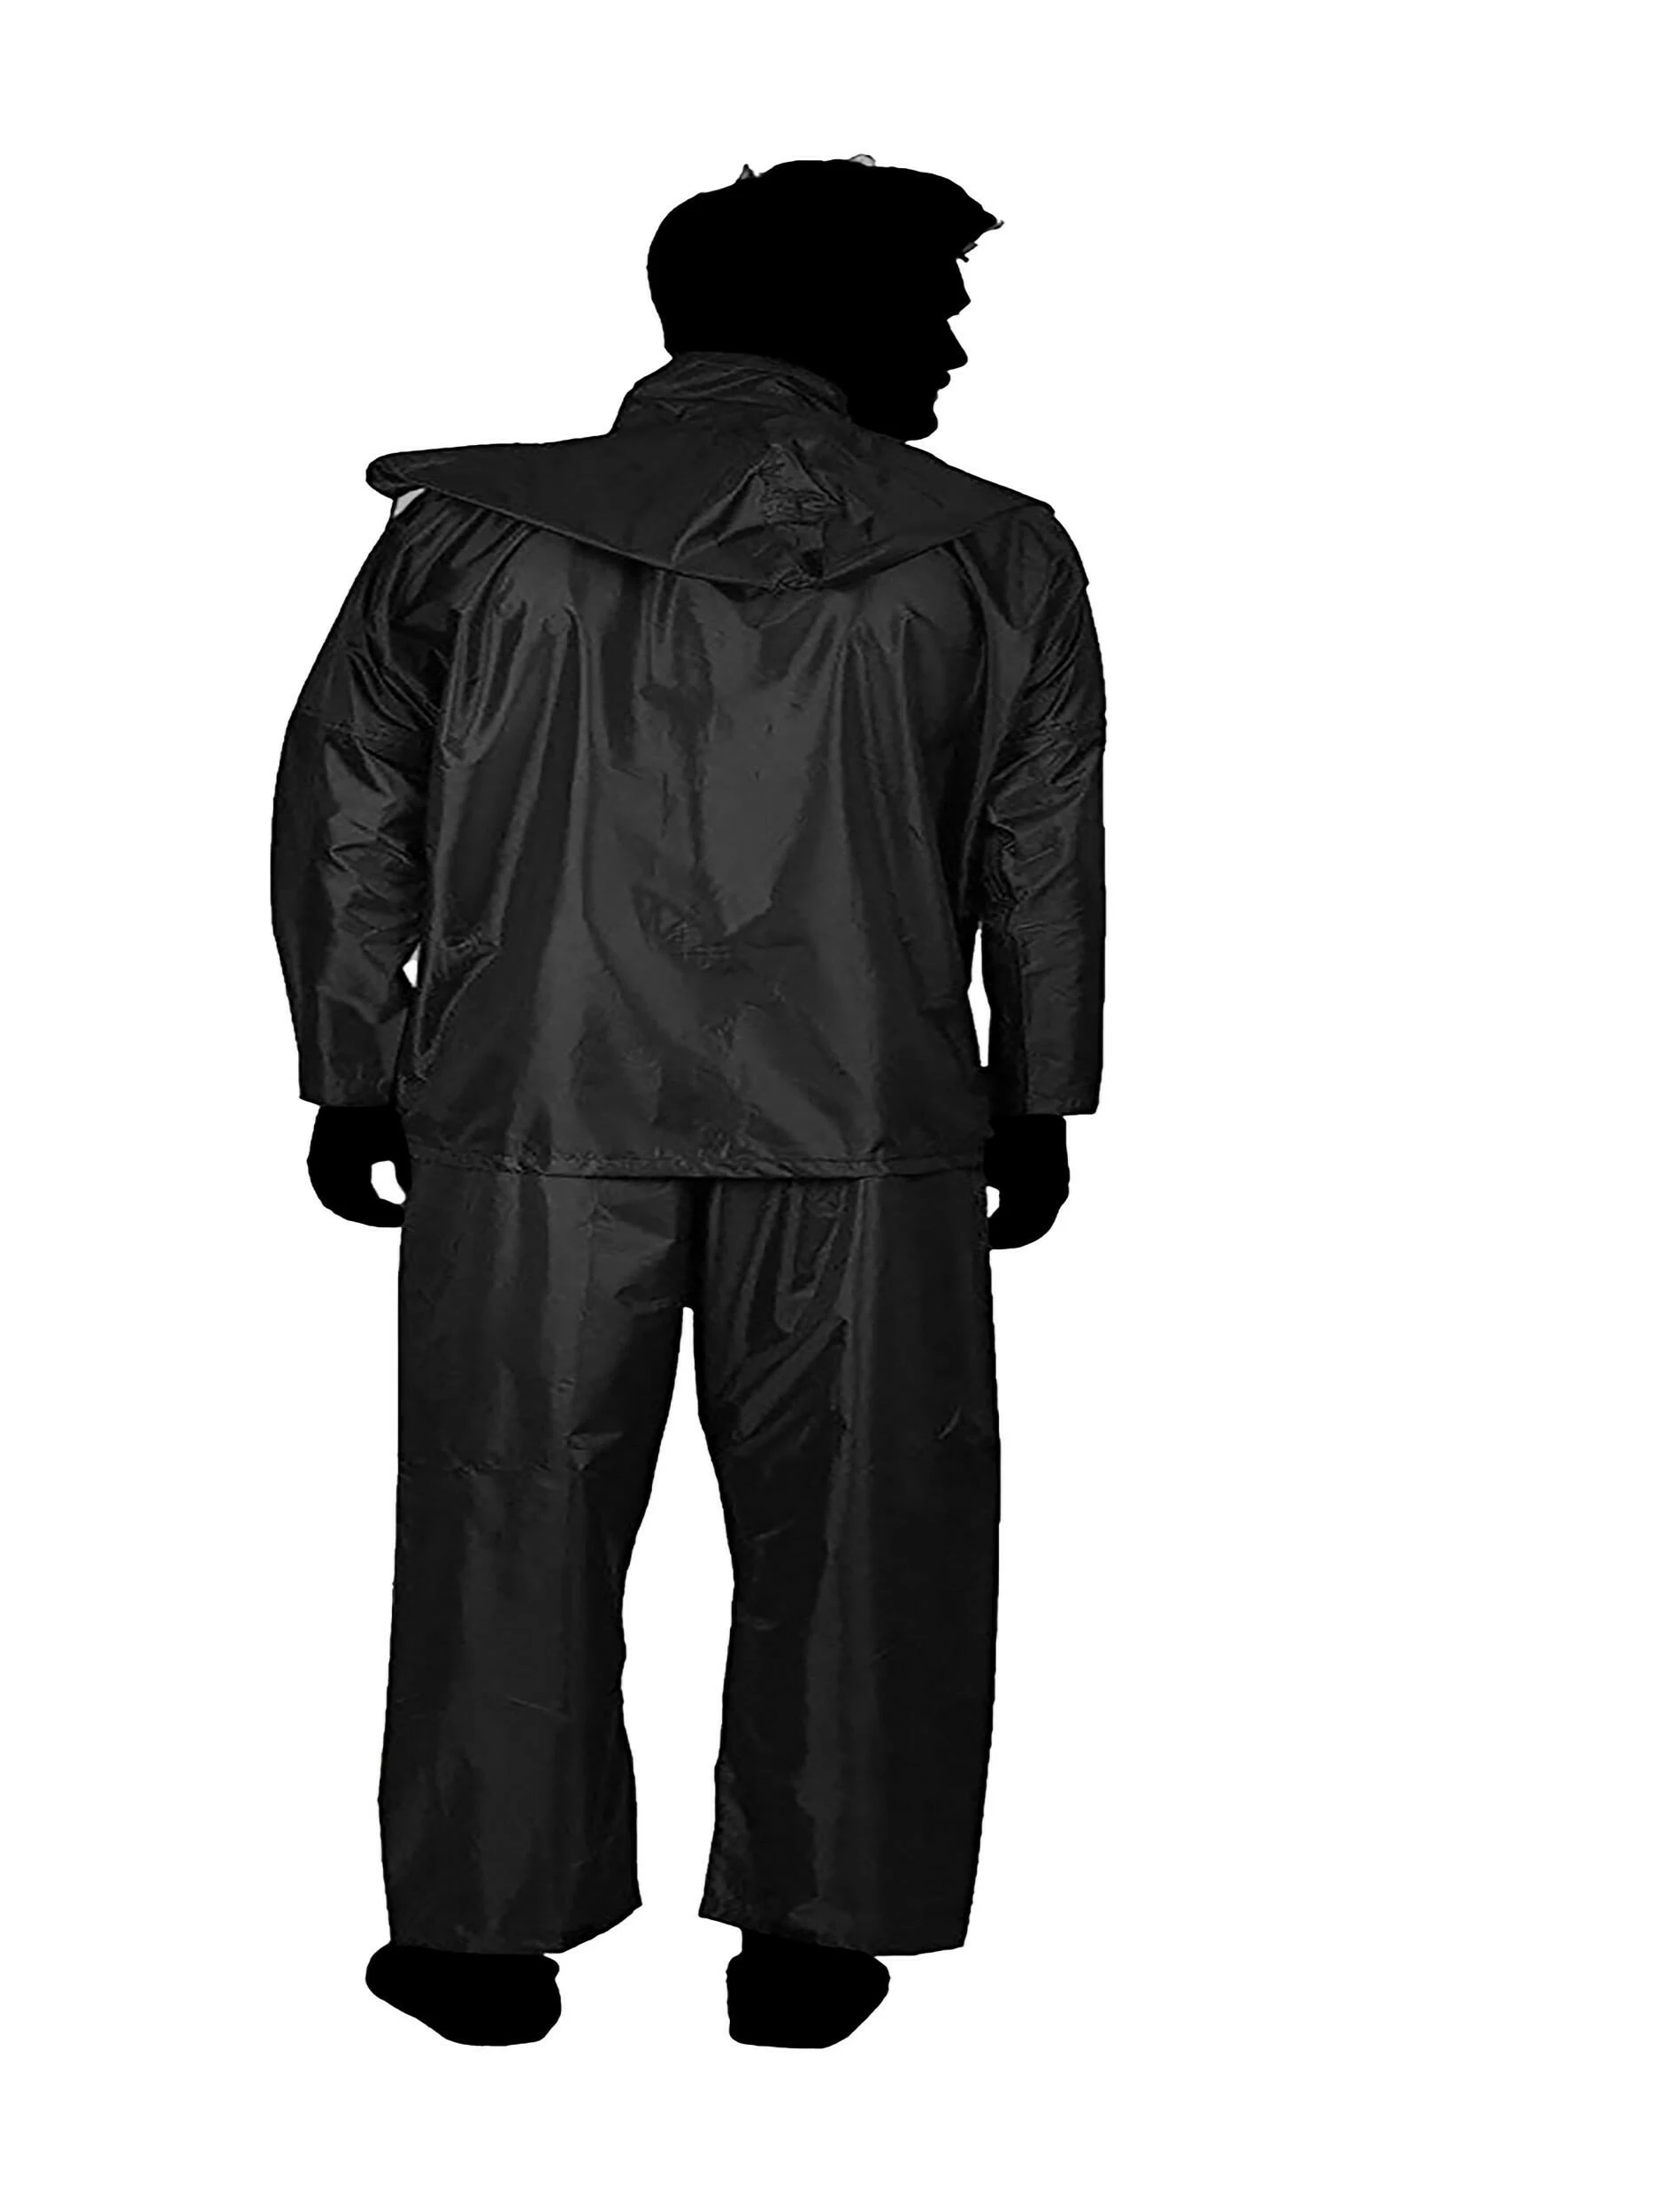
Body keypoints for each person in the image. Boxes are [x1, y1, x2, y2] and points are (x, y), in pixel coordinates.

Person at [270, 156, 1106, 2047]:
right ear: (834, 315)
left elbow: (351, 794)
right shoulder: (990, 553)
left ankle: (479, 1935)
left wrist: (351, 1056)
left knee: (506, 1500)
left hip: (532, 1101)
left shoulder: (473, 538)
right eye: (933, 301)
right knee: (869, 1513)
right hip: (872, 1112)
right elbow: (1038, 832)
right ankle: (818, 1927)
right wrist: (1035, 1086)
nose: (955, 343)